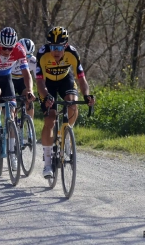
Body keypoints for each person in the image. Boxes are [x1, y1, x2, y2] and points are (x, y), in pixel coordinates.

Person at [36, 26, 95, 178]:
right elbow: (40, 83)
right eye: (52, 47)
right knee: (50, 118)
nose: (55, 51)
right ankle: (48, 163)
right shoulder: (42, 54)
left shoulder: (72, 53)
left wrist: (87, 95)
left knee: (73, 105)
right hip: (47, 85)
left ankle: (66, 134)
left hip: (65, 81)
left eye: (59, 47)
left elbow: (81, 79)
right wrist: (47, 96)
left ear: (66, 46)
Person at [0, 27, 35, 171]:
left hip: (6, 77)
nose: (7, 51)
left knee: (11, 112)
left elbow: (27, 74)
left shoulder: (19, 50)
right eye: (4, 48)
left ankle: (12, 154)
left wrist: (29, 90)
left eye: (10, 48)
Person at [11, 38, 37, 118]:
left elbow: (39, 79)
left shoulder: (33, 61)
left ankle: (30, 126)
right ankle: (11, 123)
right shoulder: (11, 59)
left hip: (23, 80)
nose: (27, 58)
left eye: (29, 55)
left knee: (29, 99)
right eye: (25, 55)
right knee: (11, 103)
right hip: (10, 80)